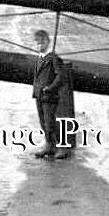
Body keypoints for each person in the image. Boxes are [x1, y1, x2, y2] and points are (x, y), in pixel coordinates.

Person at [31, 29, 71, 159]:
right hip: (39, 95)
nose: (39, 45)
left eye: (42, 42)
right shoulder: (39, 58)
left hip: (49, 95)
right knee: (43, 121)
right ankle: (49, 145)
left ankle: (62, 147)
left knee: (50, 121)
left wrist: (50, 88)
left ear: (48, 42)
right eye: (37, 43)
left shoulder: (54, 58)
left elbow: (61, 76)